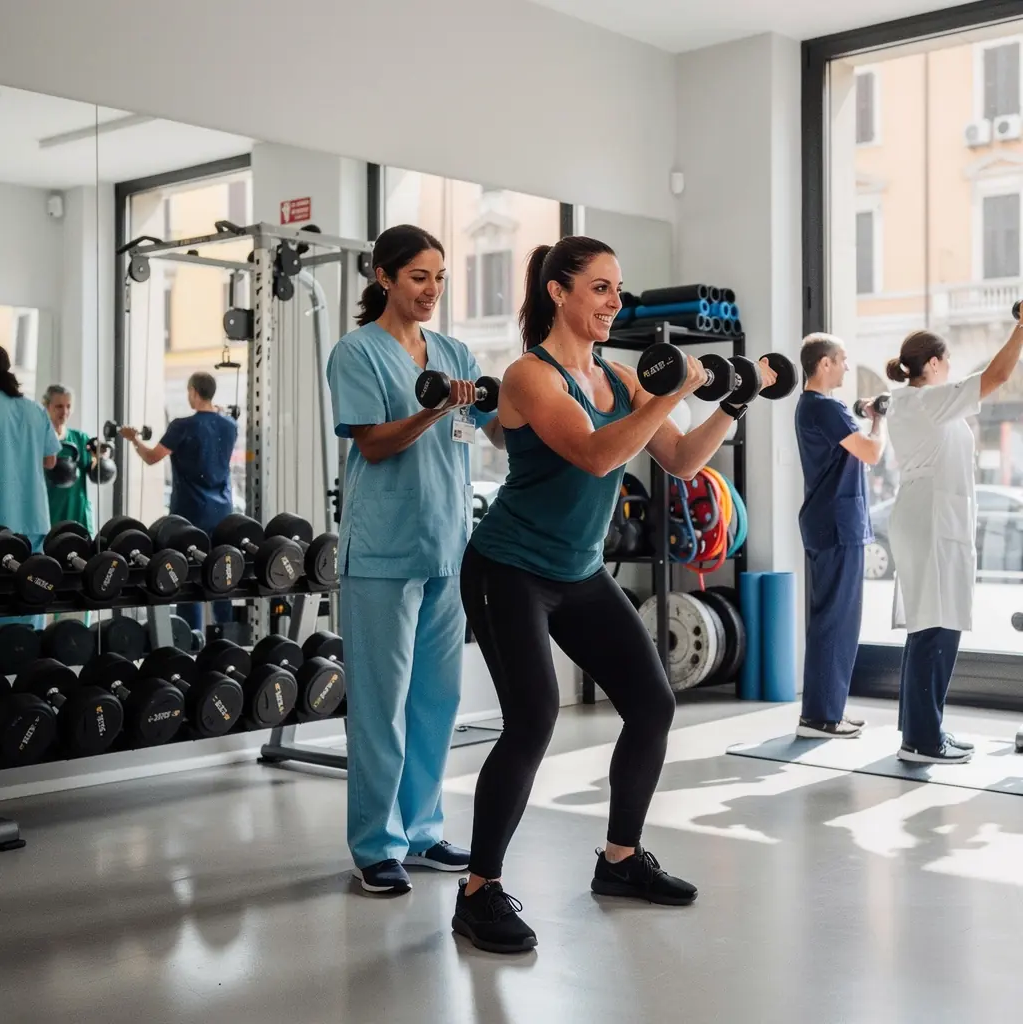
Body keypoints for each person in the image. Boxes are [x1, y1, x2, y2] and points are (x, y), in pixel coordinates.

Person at [450, 236, 778, 955]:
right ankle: (478, 892)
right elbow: (598, 455)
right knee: (532, 720)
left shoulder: (620, 378)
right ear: (558, 291)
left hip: (579, 570)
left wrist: (735, 401)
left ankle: (620, 860)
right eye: (600, 288)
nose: (614, 302)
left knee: (653, 704)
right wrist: (672, 392)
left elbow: (682, 459)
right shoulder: (529, 376)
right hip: (509, 569)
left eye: (618, 289)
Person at [326, 224, 505, 895]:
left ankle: (423, 832)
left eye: (439, 278)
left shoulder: (454, 351)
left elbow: (492, 427)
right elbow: (372, 444)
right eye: (418, 277)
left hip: (446, 548)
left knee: (437, 700)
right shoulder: (357, 352)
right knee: (381, 706)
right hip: (382, 551)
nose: (432, 290)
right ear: (384, 277)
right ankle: (376, 846)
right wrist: (435, 410)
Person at [885, 325, 1023, 764]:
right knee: (935, 628)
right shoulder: (927, 401)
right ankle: (923, 742)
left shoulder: (911, 402)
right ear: (932, 364)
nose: (950, 369)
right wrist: (1021, 330)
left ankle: (922, 730)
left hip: (928, 516)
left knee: (928, 626)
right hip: (931, 520)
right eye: (947, 361)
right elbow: (997, 375)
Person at [794, 334, 886, 740]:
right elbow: (871, 452)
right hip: (837, 525)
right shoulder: (824, 407)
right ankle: (820, 717)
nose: (847, 366)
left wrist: (864, 415)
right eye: (843, 359)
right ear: (825, 363)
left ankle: (827, 709)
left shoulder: (814, 407)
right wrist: (879, 420)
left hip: (831, 522)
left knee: (836, 619)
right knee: (835, 620)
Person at [119, 371, 238, 633]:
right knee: (222, 573)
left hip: (189, 513)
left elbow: (152, 457)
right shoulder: (230, 425)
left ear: (194, 392)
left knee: (188, 576)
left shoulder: (182, 426)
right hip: (222, 513)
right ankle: (226, 639)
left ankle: (191, 639)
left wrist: (134, 439)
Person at [0, 346, 61, 631]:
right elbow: (50, 461)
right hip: (33, 517)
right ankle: (27, 650)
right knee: (32, 588)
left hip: (2, 516)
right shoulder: (35, 409)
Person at [42, 384, 104, 537]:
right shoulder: (39, 439)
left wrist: (99, 457)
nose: (64, 412)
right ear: (47, 406)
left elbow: (95, 473)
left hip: (77, 512)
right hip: (50, 512)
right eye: (59, 406)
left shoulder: (80, 438)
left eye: (68, 406)